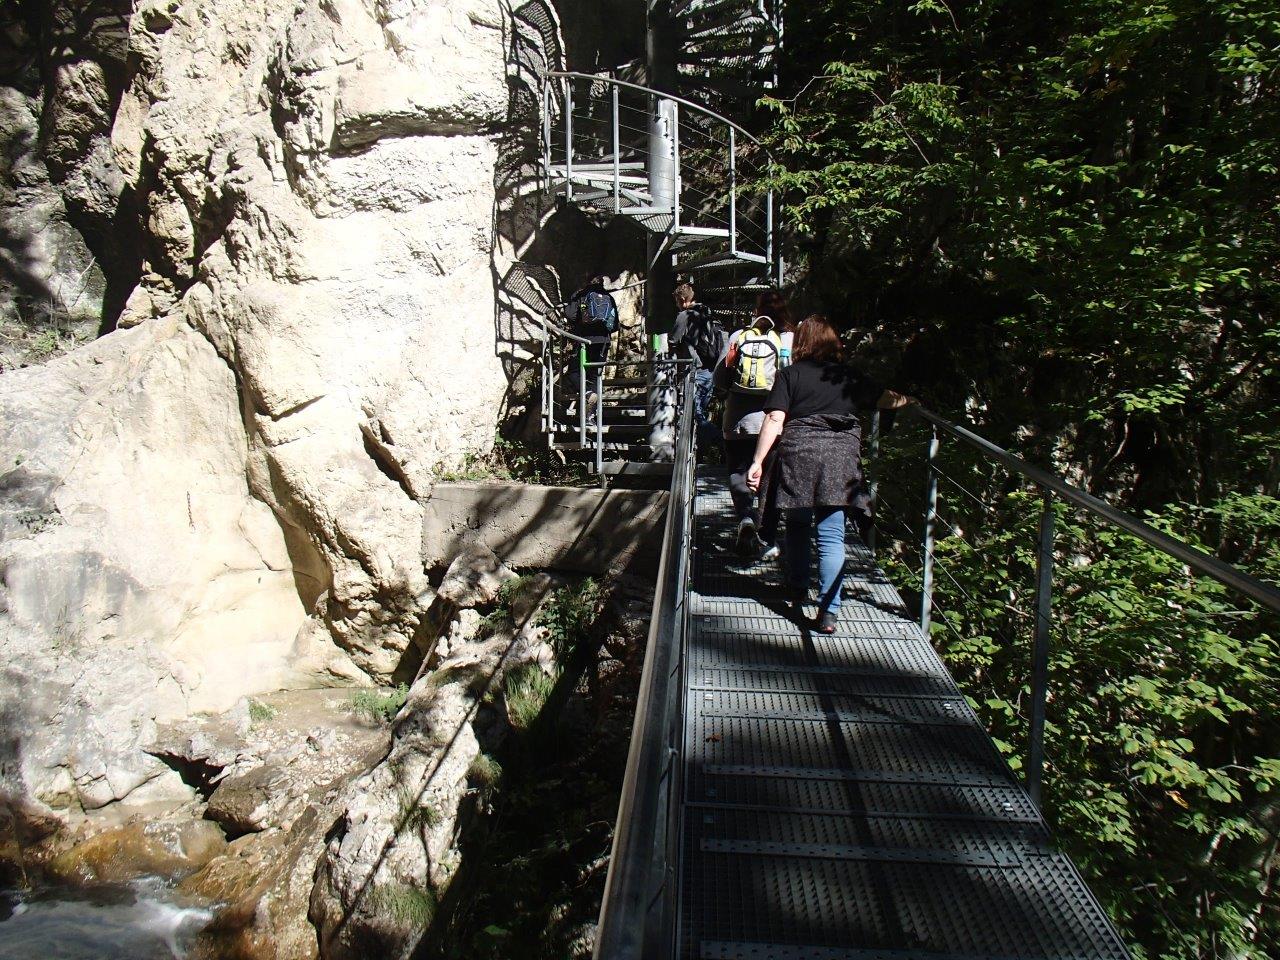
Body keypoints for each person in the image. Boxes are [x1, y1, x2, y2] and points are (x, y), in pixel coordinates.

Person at [746, 315, 914, 634]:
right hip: (839, 458)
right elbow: (885, 399)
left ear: (801, 343)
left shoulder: (790, 375)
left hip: (799, 454)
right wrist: (910, 400)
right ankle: (828, 611)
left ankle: (796, 584)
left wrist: (758, 461)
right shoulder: (848, 377)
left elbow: (774, 419)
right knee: (831, 533)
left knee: (797, 523)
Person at [713, 290, 795, 557]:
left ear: (756, 310)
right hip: (774, 420)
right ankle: (767, 536)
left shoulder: (740, 336)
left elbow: (719, 378)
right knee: (769, 479)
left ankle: (745, 518)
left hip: (737, 419)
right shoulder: (787, 340)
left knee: (738, 471)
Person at [670, 282, 725, 445]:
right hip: (710, 370)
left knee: (694, 413)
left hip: (696, 370)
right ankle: (700, 453)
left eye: (677, 302)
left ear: (682, 299)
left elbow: (673, 339)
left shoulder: (685, 316)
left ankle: (721, 441)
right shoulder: (706, 312)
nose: (677, 306)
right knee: (699, 413)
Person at [563, 275, 619, 420]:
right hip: (603, 342)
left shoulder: (581, 295)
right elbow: (615, 325)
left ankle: (587, 394)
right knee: (596, 376)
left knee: (574, 372)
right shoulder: (609, 297)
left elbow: (570, 315)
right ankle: (591, 416)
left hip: (583, 340)